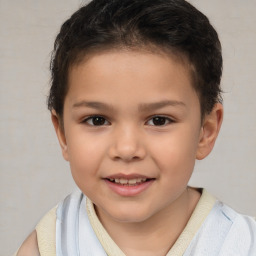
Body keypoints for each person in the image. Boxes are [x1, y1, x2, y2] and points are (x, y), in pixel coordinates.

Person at [15, 0, 256, 255]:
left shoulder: (242, 244)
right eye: (97, 120)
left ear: (205, 132)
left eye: (159, 120)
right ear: (62, 134)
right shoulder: (48, 247)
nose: (127, 149)